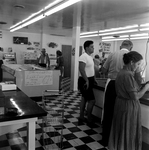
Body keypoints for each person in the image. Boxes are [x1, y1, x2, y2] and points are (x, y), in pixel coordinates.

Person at [108, 51, 149, 150]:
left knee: (122, 128)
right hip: (128, 106)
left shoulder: (122, 72)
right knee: (128, 128)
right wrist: (147, 87)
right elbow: (135, 96)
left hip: (121, 104)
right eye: (138, 64)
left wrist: (140, 77)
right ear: (131, 62)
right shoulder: (128, 75)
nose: (139, 66)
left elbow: (133, 86)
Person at [100, 40, 134, 147]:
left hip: (112, 84)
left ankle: (105, 139)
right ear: (131, 47)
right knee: (122, 112)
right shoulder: (131, 57)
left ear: (120, 46)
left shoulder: (112, 54)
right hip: (125, 86)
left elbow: (103, 70)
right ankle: (119, 140)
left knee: (108, 111)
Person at [78, 40, 97, 125]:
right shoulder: (83, 56)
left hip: (90, 79)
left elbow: (90, 69)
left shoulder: (90, 57)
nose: (93, 48)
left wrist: (94, 78)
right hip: (85, 80)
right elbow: (82, 70)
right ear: (86, 48)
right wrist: (87, 80)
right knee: (92, 100)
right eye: (91, 46)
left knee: (84, 98)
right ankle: (89, 117)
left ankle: (81, 116)